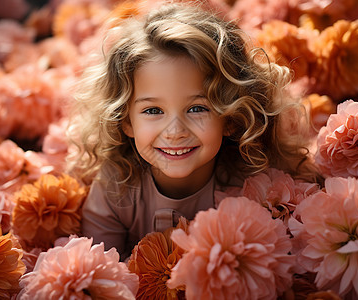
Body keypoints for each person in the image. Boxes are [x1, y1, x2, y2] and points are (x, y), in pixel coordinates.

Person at [68, 2, 317, 259]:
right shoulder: (115, 186)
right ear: (126, 121)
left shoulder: (251, 185)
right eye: (153, 111)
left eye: (197, 108)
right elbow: (101, 273)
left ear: (231, 116)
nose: (175, 131)